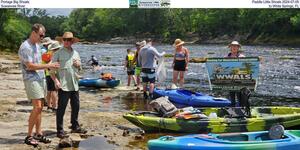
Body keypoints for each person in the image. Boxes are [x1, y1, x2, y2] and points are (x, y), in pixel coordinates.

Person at [18, 23, 60, 146]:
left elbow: (40, 62)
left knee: (40, 108)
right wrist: (49, 65)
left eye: (43, 36)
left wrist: (49, 63)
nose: (42, 38)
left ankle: (39, 133)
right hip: (31, 79)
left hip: (40, 78)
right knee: (37, 107)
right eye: (41, 35)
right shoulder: (25, 47)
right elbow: (30, 66)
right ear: (34, 32)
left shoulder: (37, 45)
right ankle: (29, 136)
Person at [51, 32, 87, 139]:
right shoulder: (57, 53)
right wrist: (56, 81)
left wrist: (79, 65)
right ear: (62, 41)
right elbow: (52, 71)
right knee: (61, 108)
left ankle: (75, 126)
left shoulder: (76, 53)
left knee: (76, 106)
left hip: (74, 84)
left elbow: (80, 67)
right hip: (63, 85)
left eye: (68, 40)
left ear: (72, 41)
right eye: (64, 40)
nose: (66, 41)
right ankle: (60, 130)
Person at [225, 41, 245, 106]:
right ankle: (233, 111)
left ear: (238, 48)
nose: (234, 47)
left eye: (236, 46)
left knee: (240, 97)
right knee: (232, 97)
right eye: (233, 46)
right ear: (230, 47)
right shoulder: (226, 57)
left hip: (240, 80)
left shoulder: (242, 57)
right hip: (230, 80)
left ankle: (242, 111)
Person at [44, 41, 61, 112]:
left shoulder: (45, 54)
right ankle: (54, 107)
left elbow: (45, 65)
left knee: (49, 90)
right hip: (52, 74)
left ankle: (49, 106)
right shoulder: (53, 55)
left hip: (47, 74)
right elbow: (50, 65)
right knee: (54, 91)